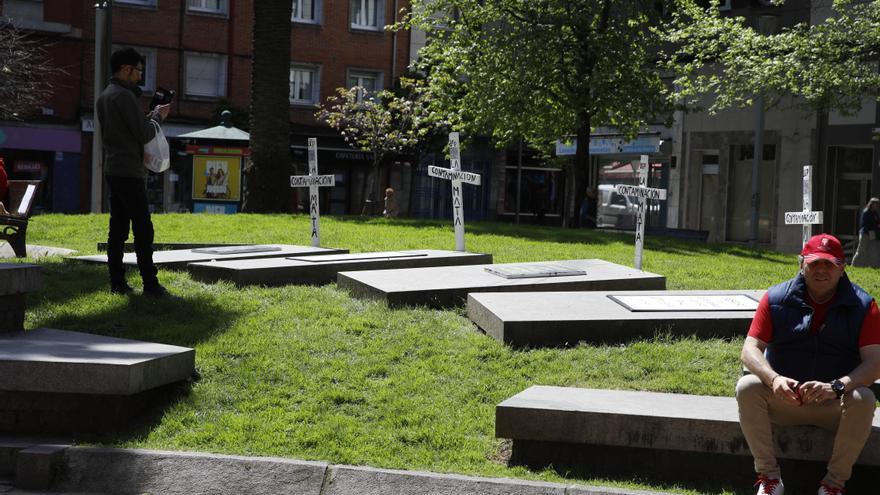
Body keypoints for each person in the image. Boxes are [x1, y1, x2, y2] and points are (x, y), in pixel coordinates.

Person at [737, 233, 880, 495]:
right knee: (747, 386)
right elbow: (749, 350)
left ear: (842, 267)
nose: (821, 270)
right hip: (786, 401)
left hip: (835, 405)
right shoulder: (775, 298)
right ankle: (769, 480)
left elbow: (875, 363)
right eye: (815, 263)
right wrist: (774, 379)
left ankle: (833, 486)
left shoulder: (865, 306)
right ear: (801, 263)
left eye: (829, 264)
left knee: (864, 398)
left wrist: (837, 386)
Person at [96, 47, 171, 297]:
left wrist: (149, 116)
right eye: (138, 70)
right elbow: (145, 133)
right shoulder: (124, 96)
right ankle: (150, 284)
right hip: (129, 170)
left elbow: (132, 130)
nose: (140, 76)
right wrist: (158, 117)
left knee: (117, 228)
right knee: (143, 227)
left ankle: (117, 282)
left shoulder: (105, 95)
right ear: (126, 69)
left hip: (113, 168)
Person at [850, 198, 880, 268]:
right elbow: (864, 224)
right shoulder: (866, 212)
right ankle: (854, 265)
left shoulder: (875, 213)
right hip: (865, 233)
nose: (876, 206)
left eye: (877, 204)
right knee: (861, 250)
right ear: (871, 204)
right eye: (874, 204)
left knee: (872, 250)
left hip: (872, 233)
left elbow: (877, 222)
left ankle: (871, 266)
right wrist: (875, 226)